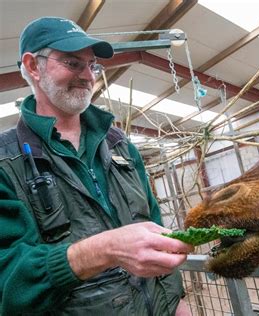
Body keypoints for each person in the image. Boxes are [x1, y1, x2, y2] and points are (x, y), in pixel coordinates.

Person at [0, 17, 194, 315]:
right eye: (72, 63)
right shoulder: (6, 162)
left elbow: (157, 234)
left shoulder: (120, 145)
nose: (88, 76)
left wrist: (178, 302)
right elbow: (8, 279)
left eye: (92, 65)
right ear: (33, 66)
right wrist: (103, 250)